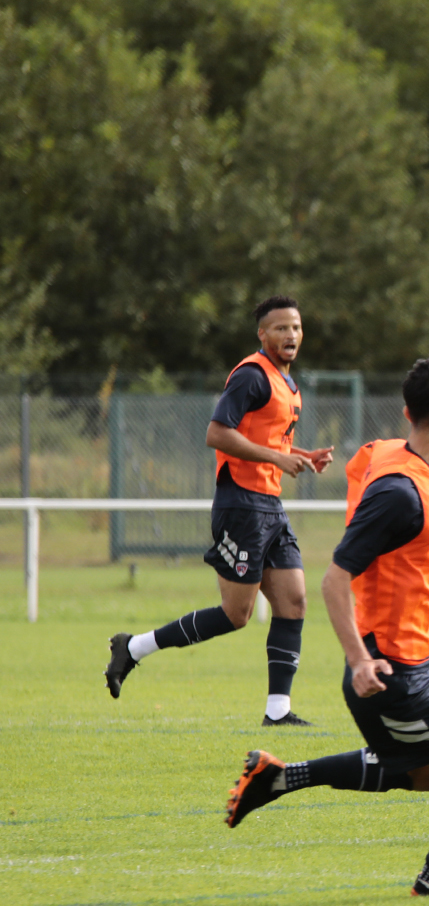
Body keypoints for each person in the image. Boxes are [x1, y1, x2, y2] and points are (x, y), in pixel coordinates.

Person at [222, 356, 429, 897]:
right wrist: (358, 659)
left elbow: (412, 572)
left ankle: (279, 777)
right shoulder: (399, 493)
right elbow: (335, 579)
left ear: (407, 412)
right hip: (390, 671)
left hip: (409, 660)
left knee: (426, 773)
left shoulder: (407, 470)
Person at [104, 295, 334, 724]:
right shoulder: (251, 376)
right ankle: (133, 648)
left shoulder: (288, 383)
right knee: (236, 614)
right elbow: (217, 433)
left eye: (297, 327)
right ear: (262, 334)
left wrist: (301, 454)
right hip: (242, 506)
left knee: (294, 601)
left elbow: (268, 440)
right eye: (281, 328)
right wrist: (278, 459)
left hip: (270, 505)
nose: (291, 335)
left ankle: (278, 712)